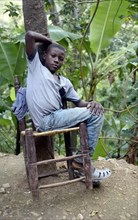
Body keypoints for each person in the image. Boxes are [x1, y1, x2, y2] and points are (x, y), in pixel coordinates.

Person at [25, 30, 111, 182]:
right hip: (45, 121)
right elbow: (30, 35)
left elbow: (79, 103)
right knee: (94, 115)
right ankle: (81, 163)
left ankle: (81, 164)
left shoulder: (64, 82)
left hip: (58, 117)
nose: (57, 60)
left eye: (61, 58)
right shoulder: (36, 68)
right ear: (44, 56)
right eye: (53, 56)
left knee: (95, 113)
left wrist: (92, 103)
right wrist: (49, 41)